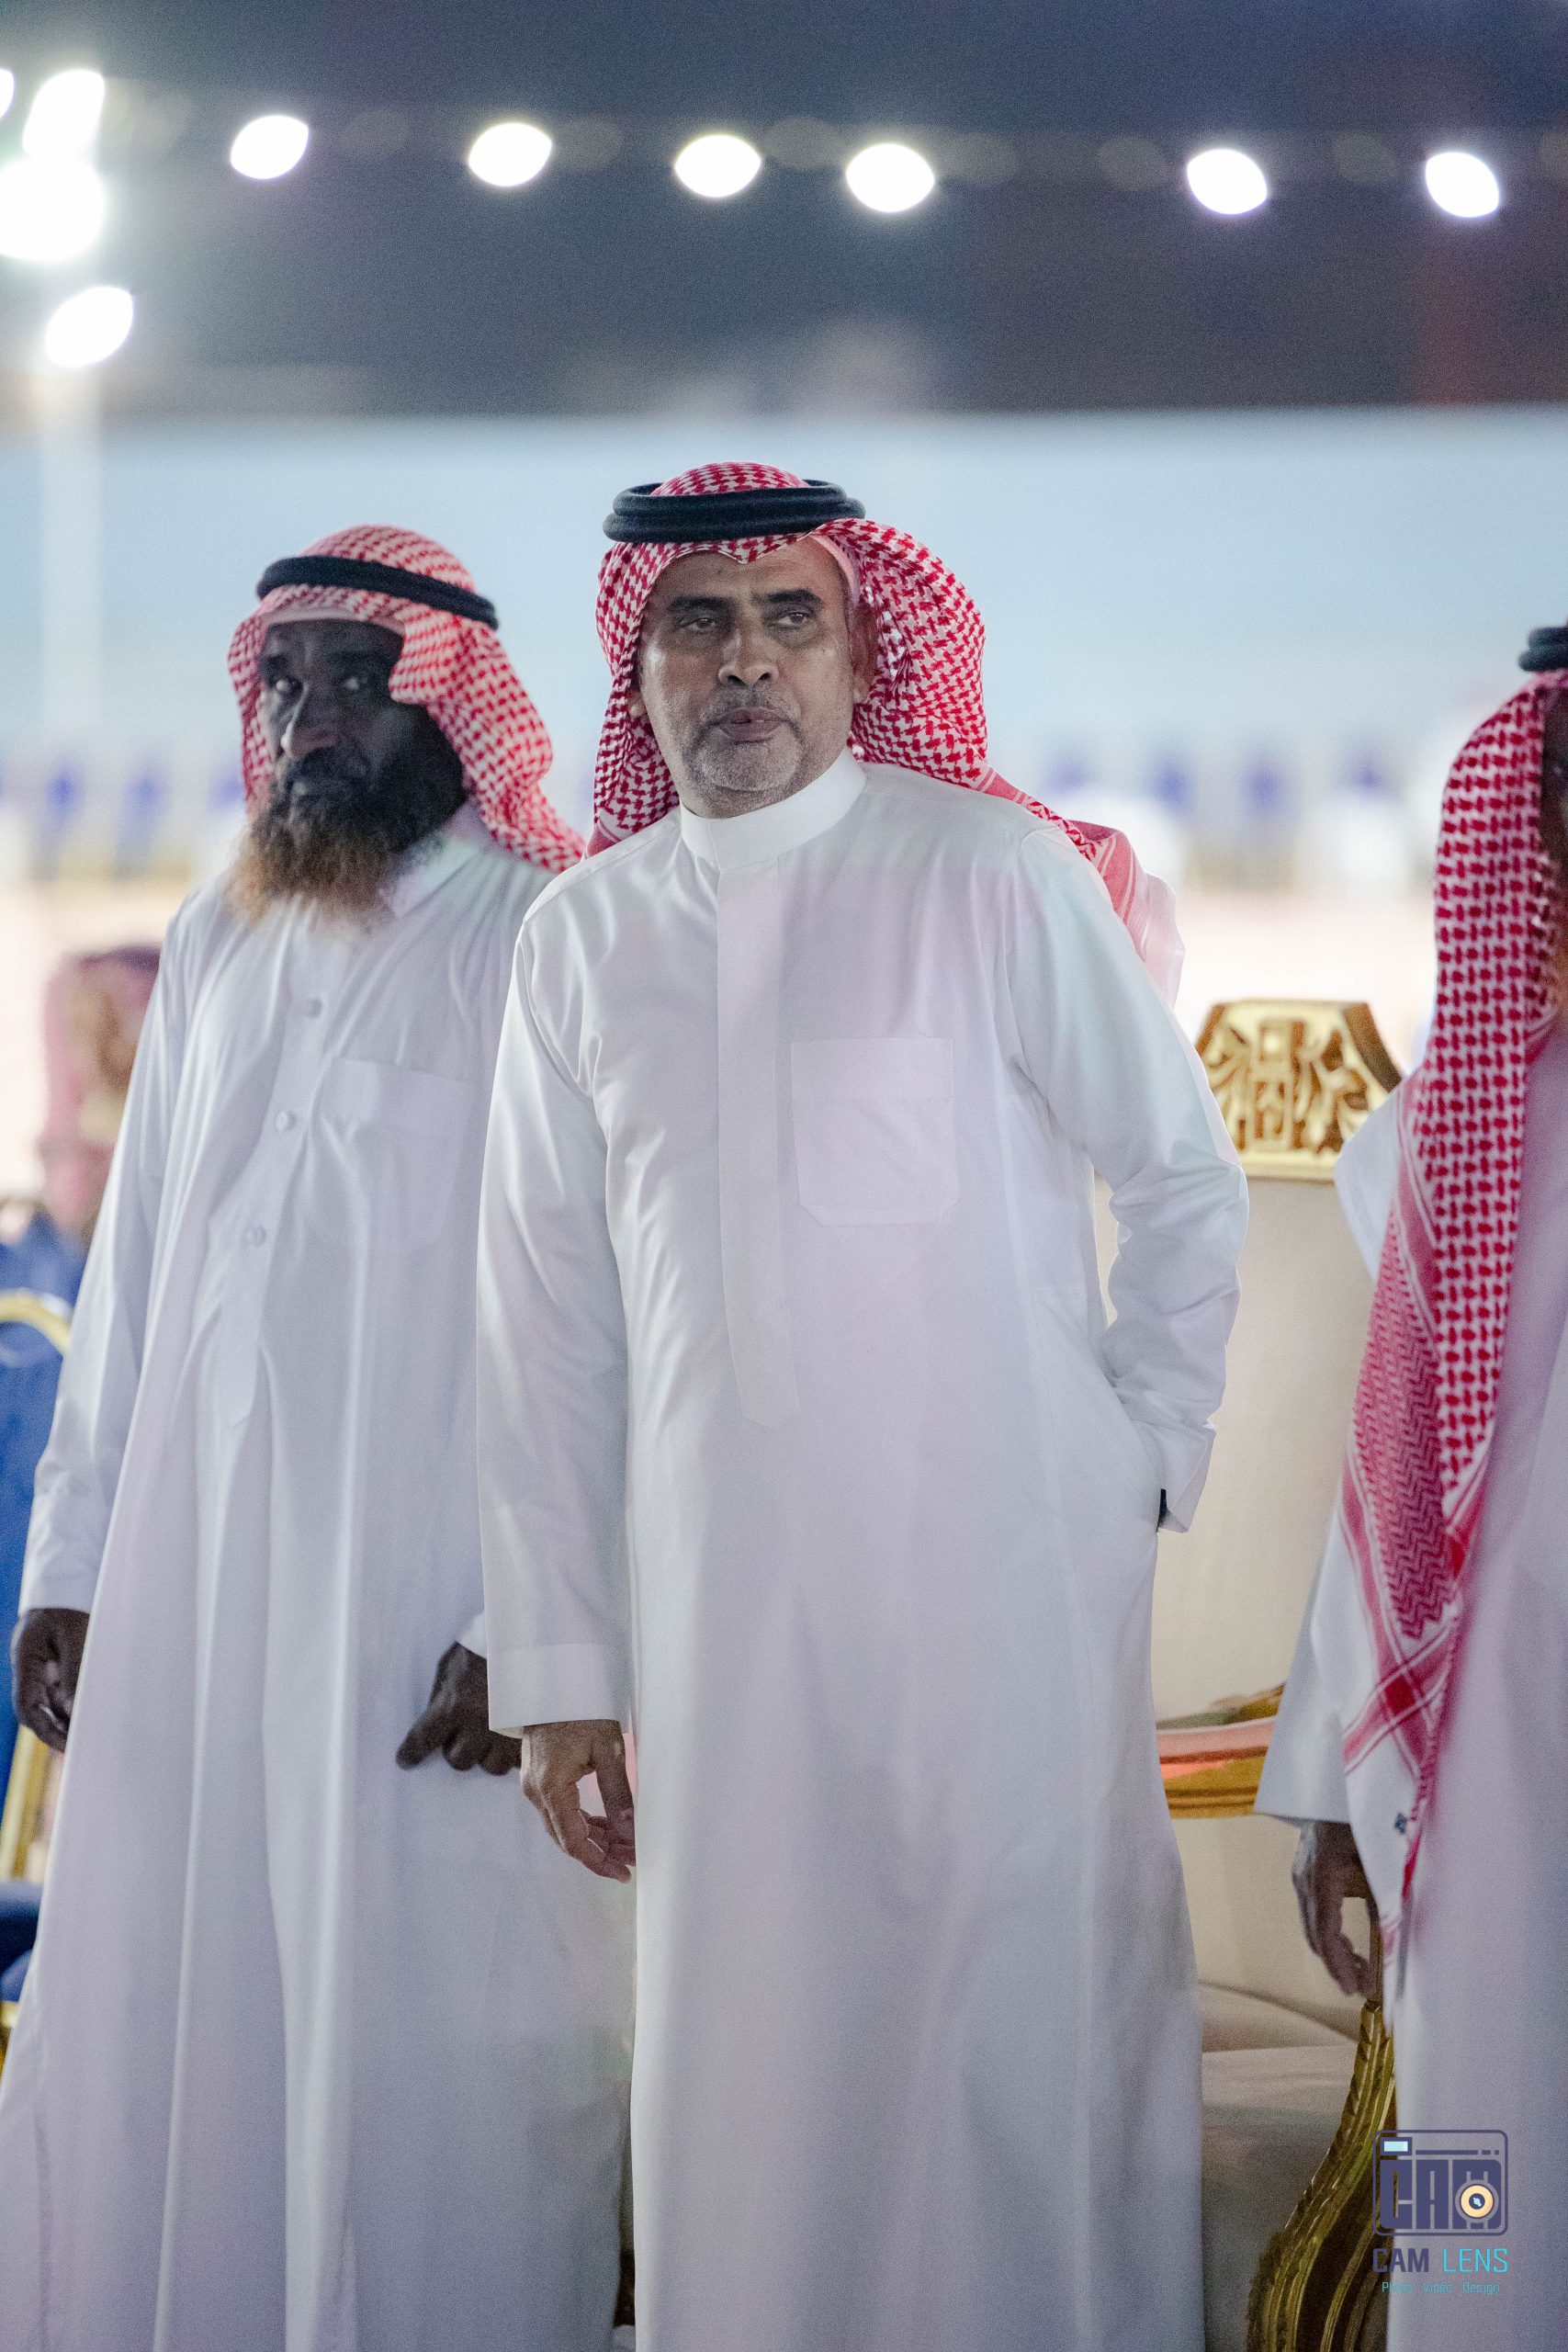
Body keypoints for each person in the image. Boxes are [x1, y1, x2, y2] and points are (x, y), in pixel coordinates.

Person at [477, 461, 1247, 2352]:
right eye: (698, 623)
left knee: (1008, 2049)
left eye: (787, 619)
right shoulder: (581, 937)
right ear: (639, 666)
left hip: (999, 1600)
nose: (744, 660)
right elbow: (541, 1322)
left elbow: (1179, 1175)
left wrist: (1137, 1456)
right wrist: (559, 1668)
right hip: (714, 1626)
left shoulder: (988, 874)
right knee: (751, 2062)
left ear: (856, 654)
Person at [0, 526, 635, 2352]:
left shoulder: (543, 935)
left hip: (433, 1621)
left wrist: (537, 1622)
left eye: (360, 679)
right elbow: (135, 1273)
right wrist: (73, 1562)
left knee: (436, 2093)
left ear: (448, 703)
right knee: (193, 2040)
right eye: (282, 681)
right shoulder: (220, 935)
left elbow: (606, 1308)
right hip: (203, 1595)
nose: (309, 719)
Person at [1259, 654, 1568, 2350]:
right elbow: (1385, 1491)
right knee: (1467, 2149)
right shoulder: (1443, 1129)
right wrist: (1324, 1785)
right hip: (1487, 1751)